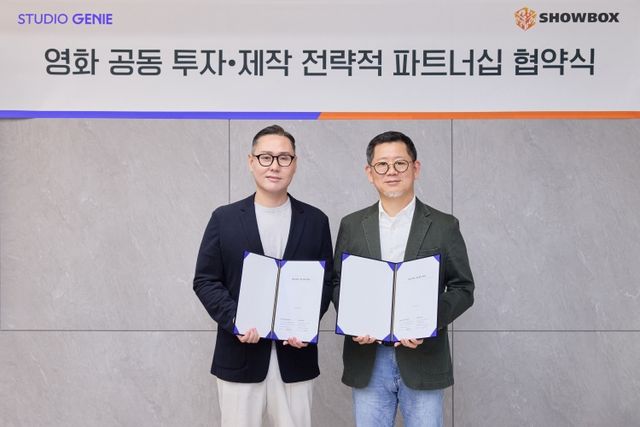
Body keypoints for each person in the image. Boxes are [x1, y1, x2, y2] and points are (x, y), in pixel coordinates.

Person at [193, 124, 333, 427]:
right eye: (266, 157)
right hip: (239, 356)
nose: (274, 166)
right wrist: (236, 319)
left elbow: (325, 282)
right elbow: (205, 279)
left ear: (294, 164)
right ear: (251, 161)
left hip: (295, 357)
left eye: (284, 158)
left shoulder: (316, 221)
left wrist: (307, 322)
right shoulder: (224, 219)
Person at [332, 130, 475, 427]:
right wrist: (353, 319)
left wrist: (428, 320)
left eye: (400, 163)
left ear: (415, 168)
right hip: (368, 358)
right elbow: (337, 283)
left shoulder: (444, 226)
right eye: (382, 165)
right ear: (370, 173)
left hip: (423, 357)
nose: (391, 171)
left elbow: (463, 287)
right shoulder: (352, 225)